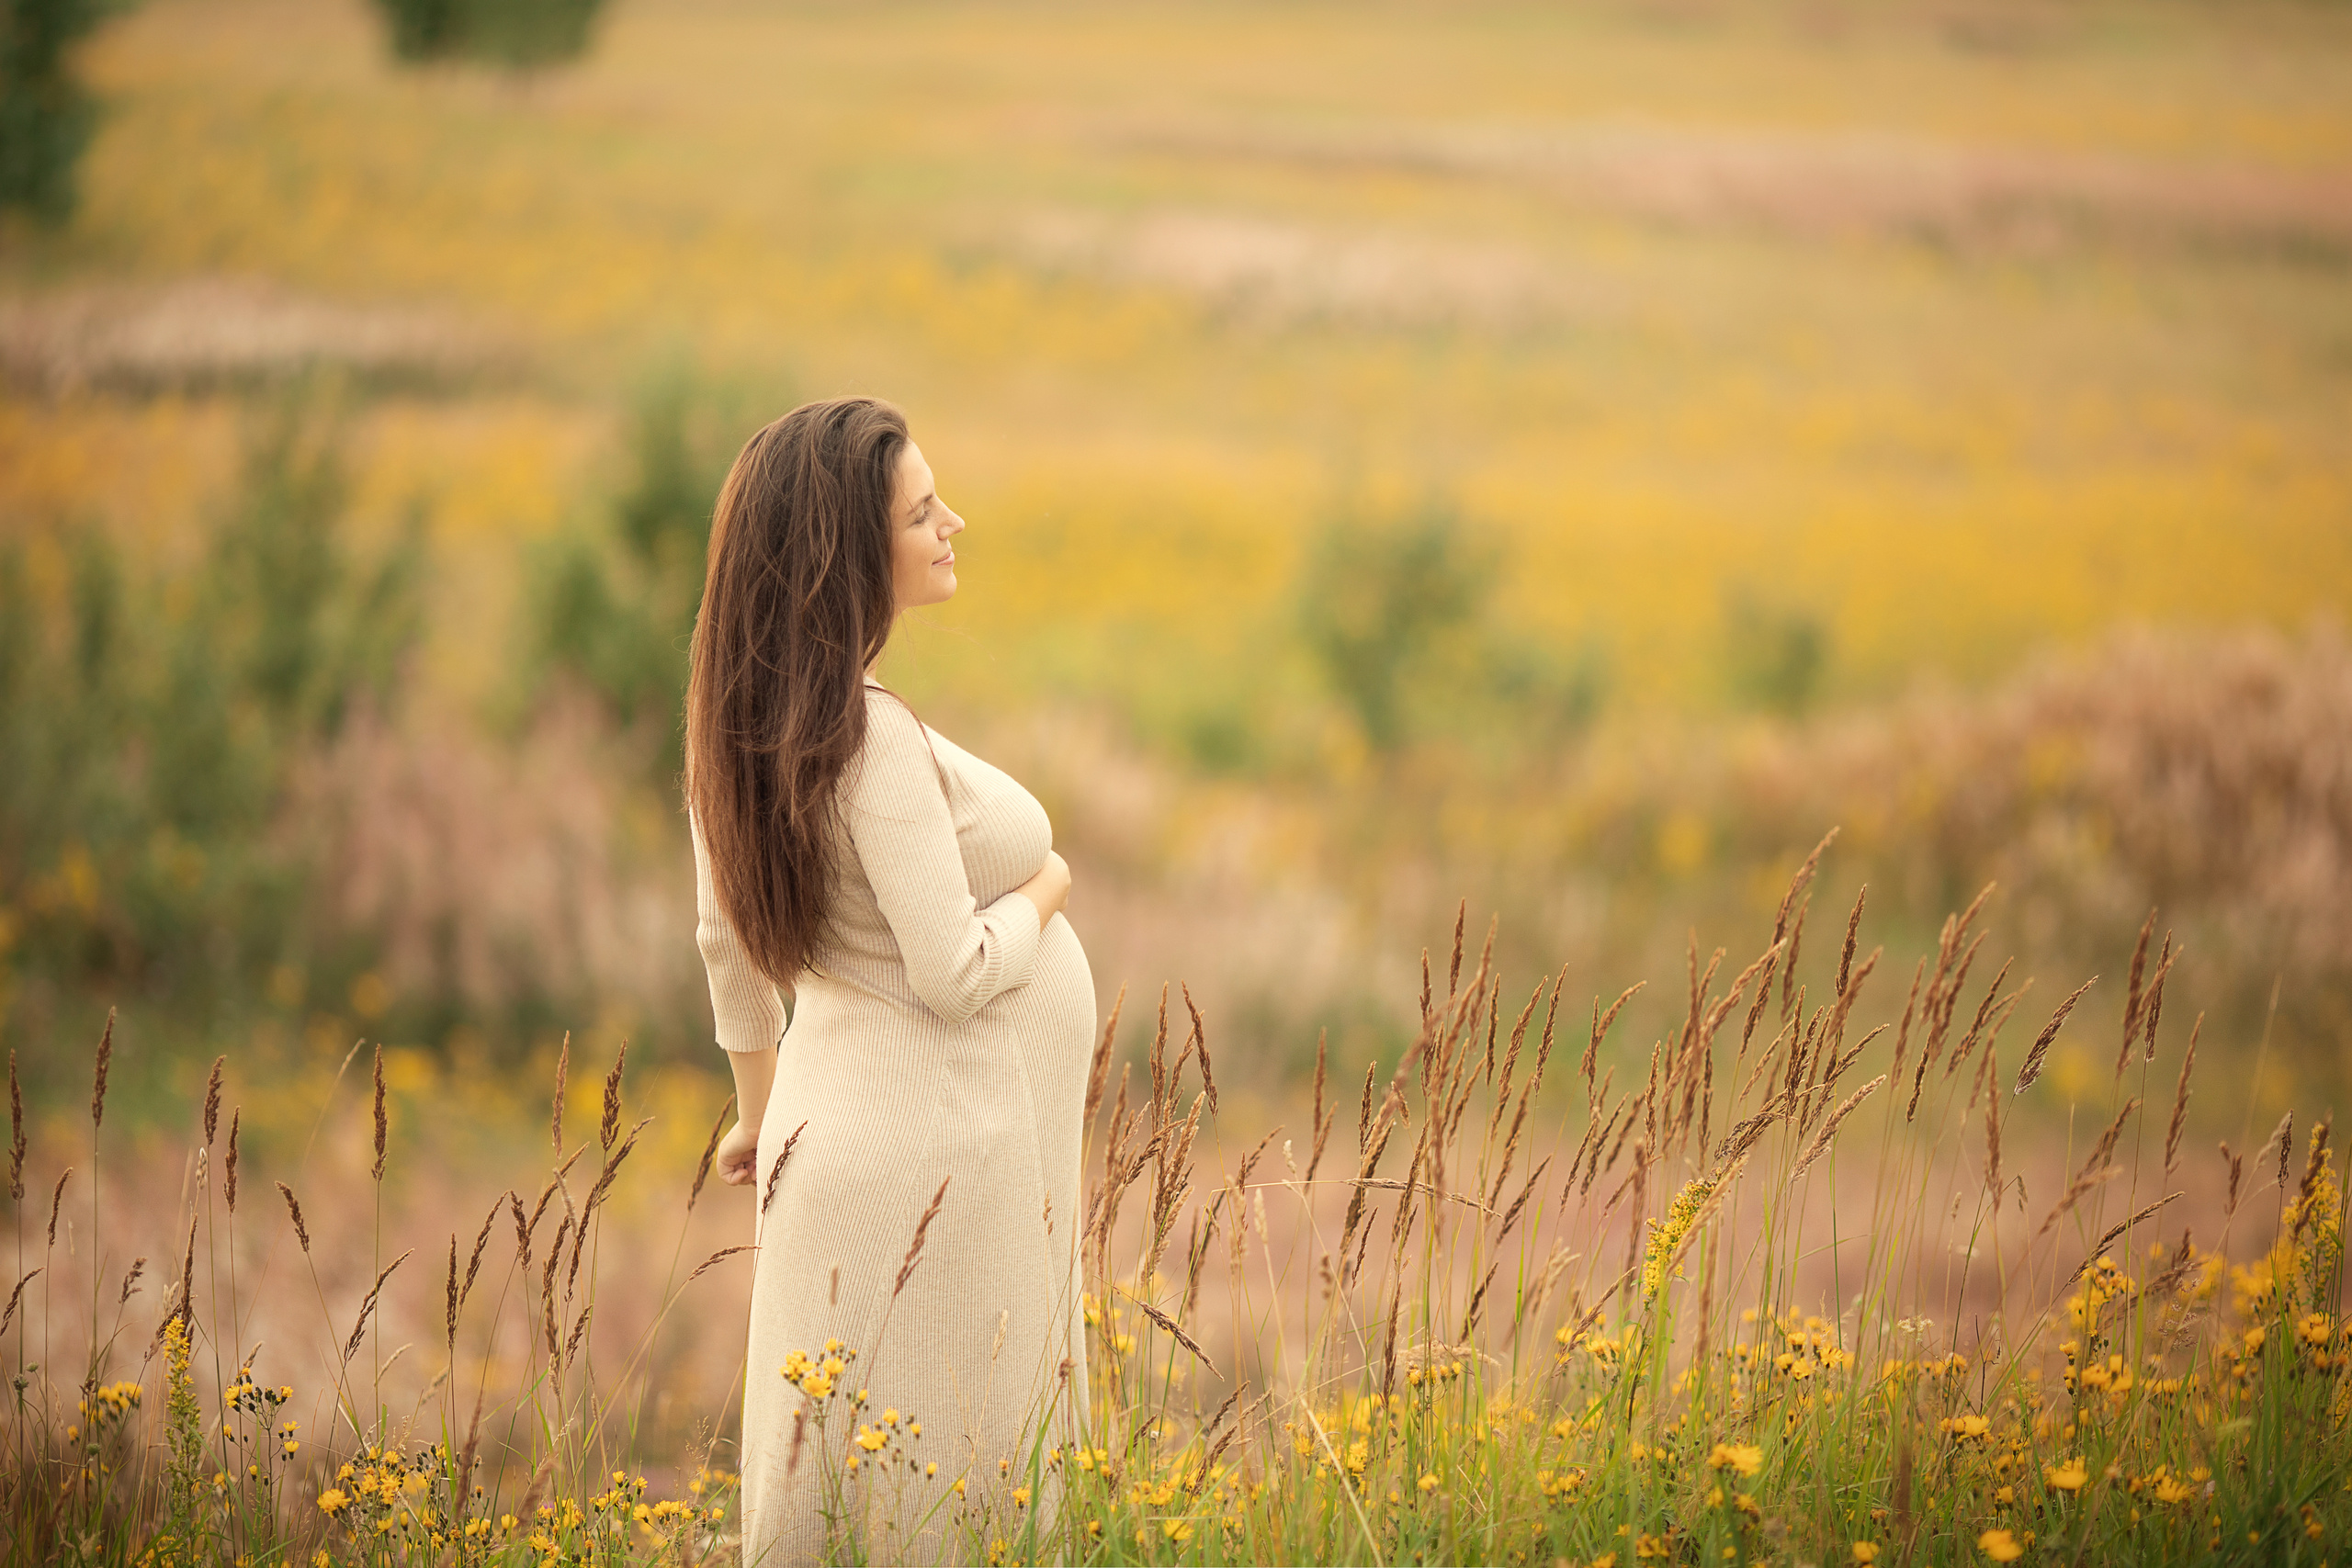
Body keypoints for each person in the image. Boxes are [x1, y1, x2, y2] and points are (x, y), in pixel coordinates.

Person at [683, 398, 1092, 1564]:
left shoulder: (734, 726)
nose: (951, 523)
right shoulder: (868, 740)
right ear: (849, 556)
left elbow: (729, 951)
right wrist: (1045, 891)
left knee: (845, 1492)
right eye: (922, 513)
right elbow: (955, 972)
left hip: (835, 1149)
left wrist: (765, 1135)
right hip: (940, 1164)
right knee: (961, 1493)